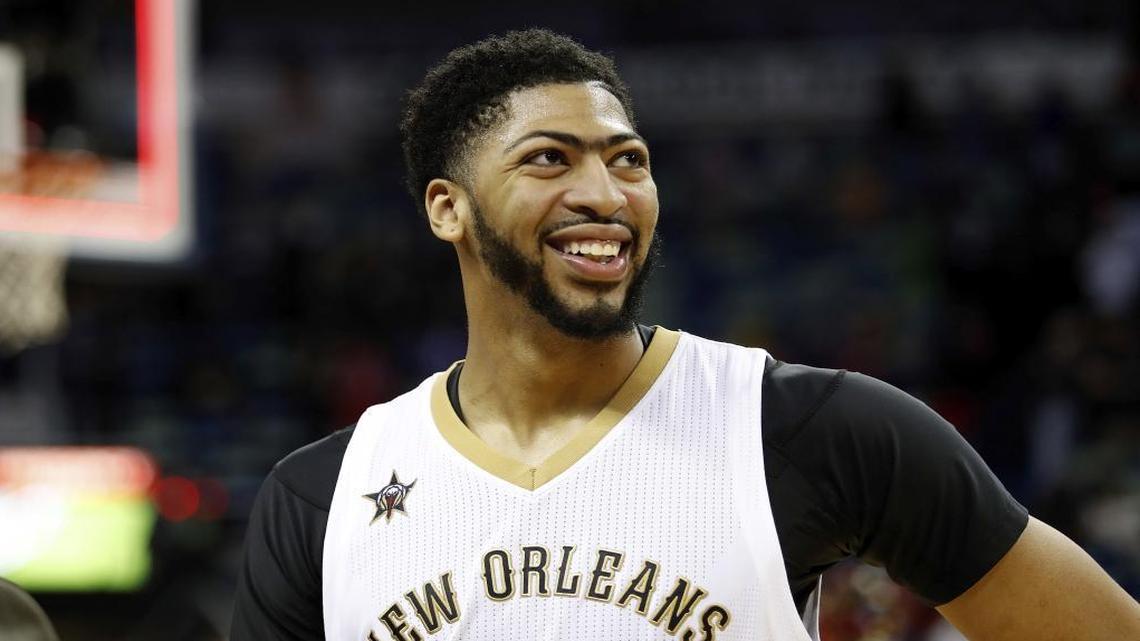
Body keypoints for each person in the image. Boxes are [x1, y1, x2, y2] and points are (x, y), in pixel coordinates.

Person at [231, 29, 1140, 640]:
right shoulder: (322, 497)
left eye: (628, 160)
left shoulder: (811, 429)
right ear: (448, 209)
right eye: (550, 158)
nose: (606, 193)